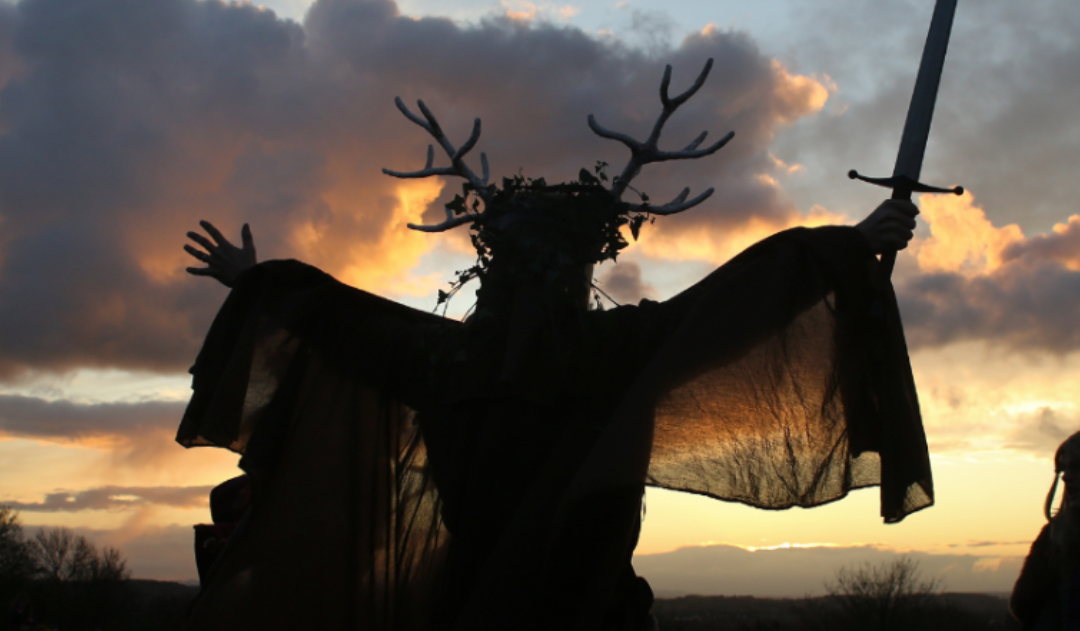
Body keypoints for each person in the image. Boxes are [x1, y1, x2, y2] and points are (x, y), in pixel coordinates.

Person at [176, 71, 931, 631]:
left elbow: (336, 319)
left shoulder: (440, 358)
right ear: (578, 273)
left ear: (493, 270)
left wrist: (253, 281)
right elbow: (731, 306)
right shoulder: (612, 349)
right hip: (586, 611)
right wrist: (847, 247)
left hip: (473, 608)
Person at [1011, 431, 1080, 630]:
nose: (1067, 477)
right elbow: (1024, 605)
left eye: (1077, 467)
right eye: (1064, 469)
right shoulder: (1053, 539)